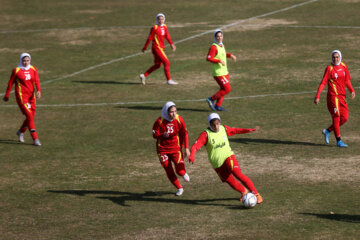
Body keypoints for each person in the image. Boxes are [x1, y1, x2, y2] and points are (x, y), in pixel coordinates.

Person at [189, 113, 263, 204]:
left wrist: (248, 130)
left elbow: (235, 130)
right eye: (213, 124)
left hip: (228, 157)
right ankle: (244, 191)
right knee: (228, 180)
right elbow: (196, 146)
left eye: (218, 123)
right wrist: (192, 155)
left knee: (237, 174)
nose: (216, 126)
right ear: (209, 124)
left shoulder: (223, 129)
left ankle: (256, 194)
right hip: (217, 164)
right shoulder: (206, 134)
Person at [314, 50, 355, 148]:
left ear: (340, 57)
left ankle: (327, 131)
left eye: (337, 57)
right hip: (333, 97)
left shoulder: (344, 66)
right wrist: (317, 95)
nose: (335, 59)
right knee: (336, 116)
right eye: (333, 57)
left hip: (342, 97)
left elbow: (347, 80)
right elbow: (323, 82)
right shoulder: (329, 68)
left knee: (344, 118)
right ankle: (338, 140)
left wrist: (351, 90)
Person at [3, 53, 42, 146]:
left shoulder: (33, 69)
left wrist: (39, 90)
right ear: (21, 60)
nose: (26, 62)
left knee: (30, 118)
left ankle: (21, 132)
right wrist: (7, 95)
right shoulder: (16, 71)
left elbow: (37, 80)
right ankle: (35, 139)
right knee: (29, 116)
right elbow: (10, 83)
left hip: (31, 97)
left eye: (27, 60)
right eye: (24, 60)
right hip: (22, 97)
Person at [152, 101, 190, 196]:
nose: (173, 114)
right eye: (171, 112)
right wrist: (161, 135)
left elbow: (184, 133)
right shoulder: (159, 121)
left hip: (175, 148)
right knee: (168, 170)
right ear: (166, 112)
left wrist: (186, 148)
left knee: (180, 171)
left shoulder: (179, 120)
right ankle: (179, 188)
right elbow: (154, 134)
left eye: (175, 111)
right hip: (162, 150)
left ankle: (183, 173)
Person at [140, 13, 178, 85]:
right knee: (167, 62)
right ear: (157, 20)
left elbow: (167, 36)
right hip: (157, 48)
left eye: (162, 19)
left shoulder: (165, 27)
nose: (161, 20)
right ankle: (169, 80)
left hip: (161, 48)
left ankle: (143, 75)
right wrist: (145, 47)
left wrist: (171, 44)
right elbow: (149, 38)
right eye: (159, 19)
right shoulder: (155, 28)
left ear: (164, 19)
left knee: (158, 65)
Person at [206, 29, 237, 111]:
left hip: (224, 71)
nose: (219, 38)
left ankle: (218, 105)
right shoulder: (213, 47)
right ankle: (211, 99)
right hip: (218, 73)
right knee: (227, 89)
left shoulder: (221, 45)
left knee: (223, 89)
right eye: (217, 36)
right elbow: (209, 58)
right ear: (215, 37)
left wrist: (230, 55)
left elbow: (222, 55)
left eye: (221, 36)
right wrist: (219, 61)